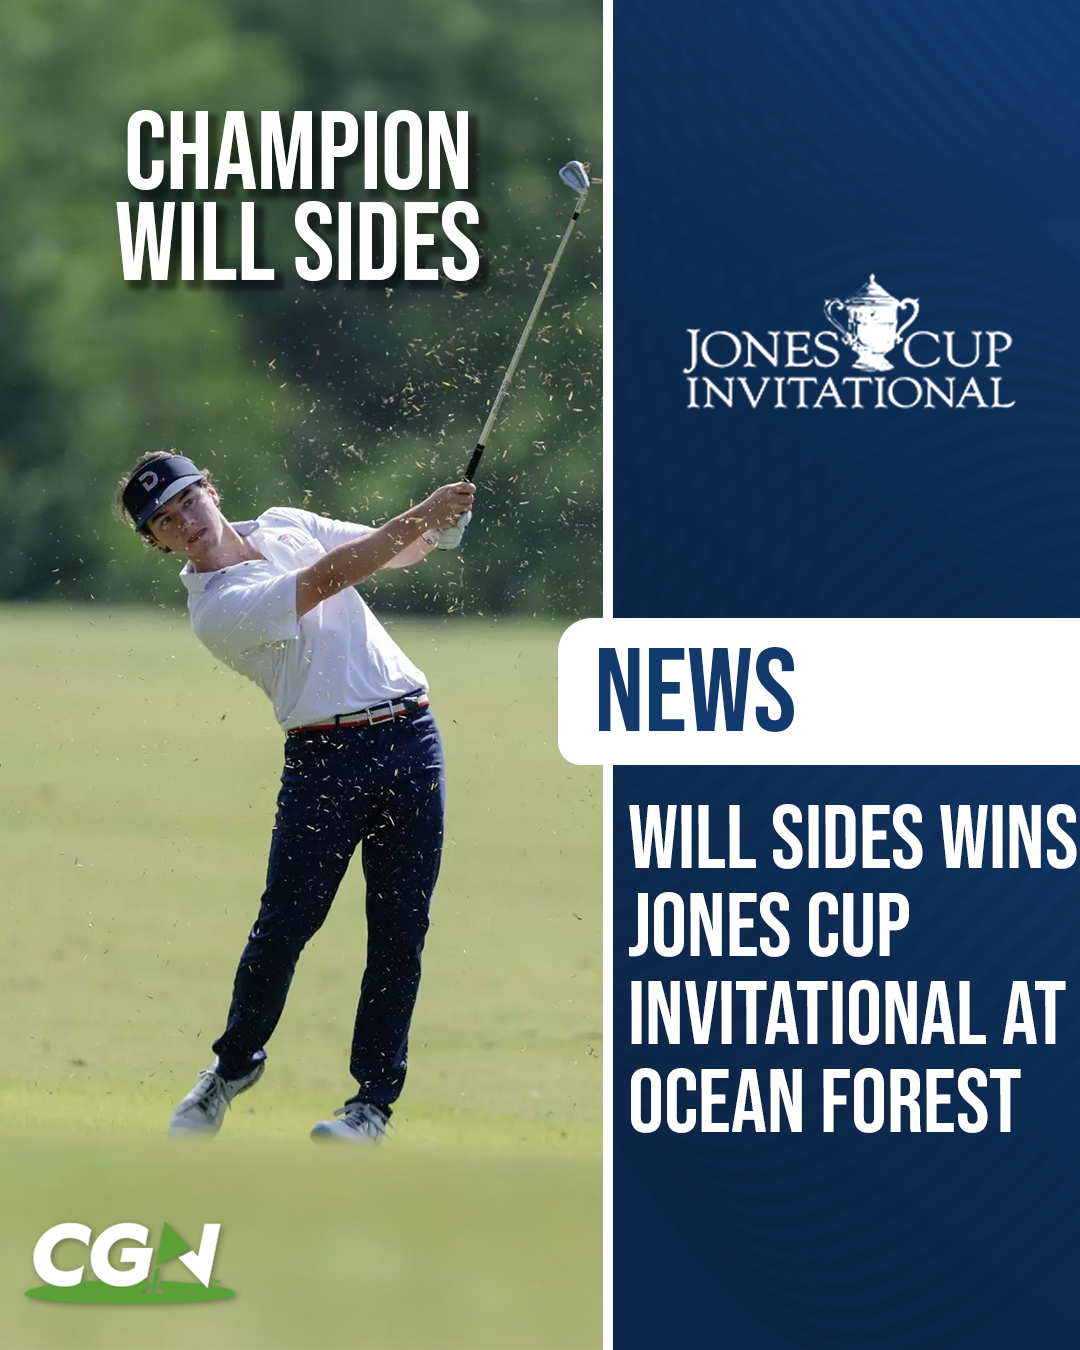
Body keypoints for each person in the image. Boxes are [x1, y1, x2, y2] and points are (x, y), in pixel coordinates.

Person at [116, 451, 475, 1142]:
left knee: (400, 932)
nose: (184, 521)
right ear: (157, 542)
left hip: (411, 736)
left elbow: (387, 551)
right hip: (324, 759)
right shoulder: (215, 609)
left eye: (188, 501)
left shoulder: (285, 522)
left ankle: (370, 1105)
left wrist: (438, 531)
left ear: (211, 490)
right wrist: (420, 515)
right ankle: (233, 1066)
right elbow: (327, 578)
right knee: (284, 928)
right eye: (165, 521)